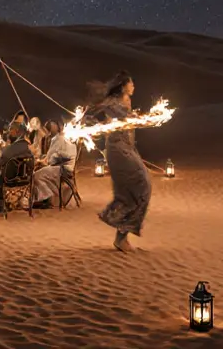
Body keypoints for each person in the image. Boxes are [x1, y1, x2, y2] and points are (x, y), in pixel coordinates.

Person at [92, 71, 153, 252]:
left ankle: (122, 235)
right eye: (131, 83)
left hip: (128, 148)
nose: (134, 86)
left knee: (143, 186)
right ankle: (121, 236)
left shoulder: (127, 102)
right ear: (123, 85)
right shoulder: (113, 103)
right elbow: (117, 115)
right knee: (139, 185)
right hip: (117, 150)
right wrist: (136, 118)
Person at [32, 120, 78, 209]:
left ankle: (45, 199)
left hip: (63, 169)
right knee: (40, 171)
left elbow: (52, 159)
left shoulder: (59, 140)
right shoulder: (58, 138)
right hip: (61, 167)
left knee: (37, 174)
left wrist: (41, 161)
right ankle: (44, 198)